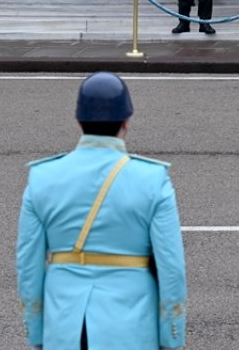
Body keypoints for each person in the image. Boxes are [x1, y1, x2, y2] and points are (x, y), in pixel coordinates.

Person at [17, 72, 187, 349]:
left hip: (64, 328)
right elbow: (172, 267)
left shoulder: (43, 177)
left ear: (78, 121)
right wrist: (172, 335)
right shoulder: (152, 179)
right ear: (126, 121)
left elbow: (28, 266)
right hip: (131, 329)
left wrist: (36, 333)